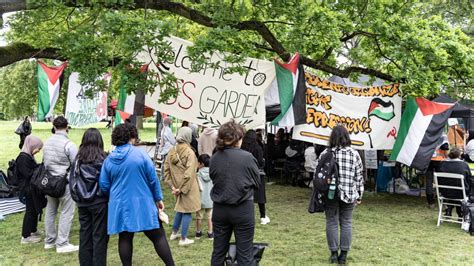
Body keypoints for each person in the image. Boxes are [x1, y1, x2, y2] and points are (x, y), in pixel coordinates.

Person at [99, 124, 174, 266]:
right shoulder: (140, 155)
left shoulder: (109, 160)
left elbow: (104, 185)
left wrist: (114, 195)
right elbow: (153, 179)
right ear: (131, 137)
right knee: (158, 236)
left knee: (125, 237)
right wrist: (158, 198)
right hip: (143, 202)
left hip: (120, 204)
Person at [210, 120, 260, 265]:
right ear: (238, 138)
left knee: (218, 252)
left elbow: (214, 178)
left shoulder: (214, 158)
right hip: (242, 209)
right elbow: (257, 182)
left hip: (220, 208)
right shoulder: (247, 157)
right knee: (245, 254)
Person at [318, 125, 364, 264]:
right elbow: (359, 176)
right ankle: (343, 256)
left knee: (331, 222)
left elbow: (318, 175)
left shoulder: (325, 153)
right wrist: (359, 194)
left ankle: (333, 253)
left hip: (330, 194)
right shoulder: (354, 154)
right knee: (346, 223)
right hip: (349, 193)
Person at [71, 128, 108, 265]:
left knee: (85, 235)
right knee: (99, 237)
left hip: (83, 202)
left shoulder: (78, 159)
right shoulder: (103, 159)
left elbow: (72, 180)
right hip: (99, 202)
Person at [43, 116, 79, 253]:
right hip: (64, 182)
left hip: (50, 182)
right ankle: (62, 243)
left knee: (50, 211)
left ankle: (50, 241)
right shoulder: (69, 145)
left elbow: (45, 162)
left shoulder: (47, 143)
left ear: (54, 126)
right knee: (67, 212)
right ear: (67, 126)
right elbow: (76, 165)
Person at [164, 127, 201, 246]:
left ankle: (174, 233)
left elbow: (166, 170)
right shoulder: (190, 152)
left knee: (180, 210)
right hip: (188, 187)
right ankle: (183, 239)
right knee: (187, 212)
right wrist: (182, 189)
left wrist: (173, 187)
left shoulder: (172, 150)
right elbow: (190, 174)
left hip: (177, 186)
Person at [16, 135, 43, 244]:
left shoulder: (28, 156)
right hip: (27, 189)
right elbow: (29, 174)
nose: (38, 151)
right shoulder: (23, 158)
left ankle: (33, 230)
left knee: (35, 209)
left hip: (32, 187)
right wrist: (40, 169)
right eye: (38, 148)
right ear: (32, 145)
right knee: (30, 211)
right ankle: (25, 236)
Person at [241, 129, 270, 225]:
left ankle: (245, 216)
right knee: (260, 197)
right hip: (257, 174)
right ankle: (262, 216)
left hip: (245, 173)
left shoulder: (242, 147)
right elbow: (261, 162)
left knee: (245, 195)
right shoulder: (258, 148)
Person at [438, 148, 472, 217]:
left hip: (445, 192)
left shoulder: (442, 164)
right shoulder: (464, 165)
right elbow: (469, 179)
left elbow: (439, 180)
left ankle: (449, 209)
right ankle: (459, 212)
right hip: (460, 193)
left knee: (454, 188)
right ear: (459, 155)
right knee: (461, 189)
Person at [426, 134, 449, 208]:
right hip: (439, 160)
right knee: (441, 180)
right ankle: (444, 202)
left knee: (429, 180)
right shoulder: (443, 135)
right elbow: (445, 147)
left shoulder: (427, 133)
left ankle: (431, 202)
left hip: (428, 160)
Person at [195, 154, 214, 239]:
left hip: (200, 199)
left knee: (199, 217)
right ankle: (210, 233)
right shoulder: (213, 173)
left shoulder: (198, 174)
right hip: (210, 199)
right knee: (210, 216)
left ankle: (198, 232)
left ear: (201, 163)